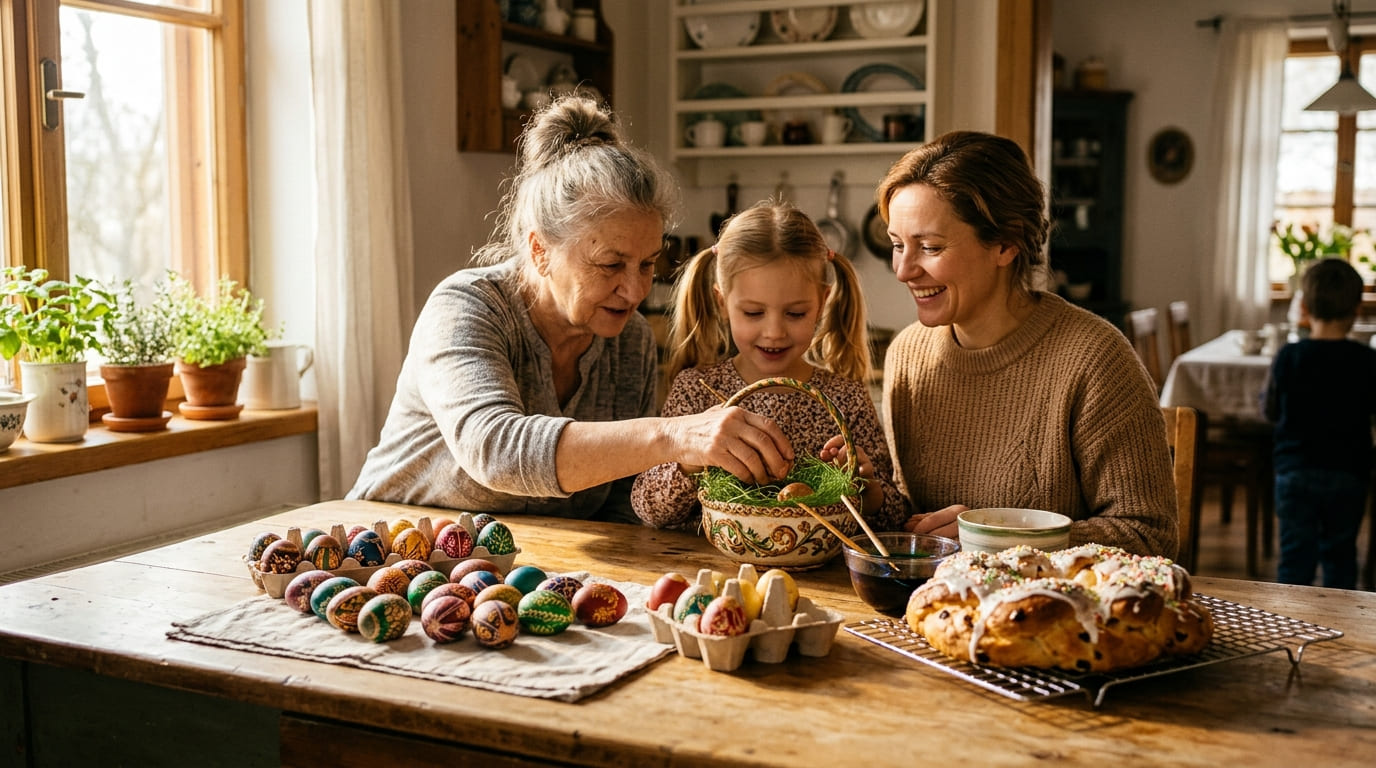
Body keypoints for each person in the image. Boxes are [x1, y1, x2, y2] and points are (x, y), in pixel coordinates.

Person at [348, 95, 793, 522]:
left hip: (523, 570)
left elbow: (622, 507)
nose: (636, 290)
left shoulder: (629, 340)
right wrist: (675, 434)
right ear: (540, 250)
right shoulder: (466, 307)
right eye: (611, 264)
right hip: (385, 553)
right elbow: (498, 451)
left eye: (648, 263)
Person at [877, 130, 1178, 558]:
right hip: (936, 612)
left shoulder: (1095, 359)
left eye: (929, 247)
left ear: (1005, 243)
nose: (905, 270)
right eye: (897, 245)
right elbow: (914, 514)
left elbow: (1151, 537)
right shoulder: (907, 354)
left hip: (1055, 617)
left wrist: (998, 537)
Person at [632, 200, 907, 531]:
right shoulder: (698, 391)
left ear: (822, 303)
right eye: (753, 313)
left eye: (795, 314)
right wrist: (690, 462)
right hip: (712, 572)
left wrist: (867, 488)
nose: (774, 332)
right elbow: (648, 509)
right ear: (723, 304)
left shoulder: (845, 397)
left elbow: (893, 516)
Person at [1263, 257, 1376, 589]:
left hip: (1294, 473)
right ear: (1357, 309)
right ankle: (1341, 634)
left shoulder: (1288, 357)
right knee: (1340, 558)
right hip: (1348, 473)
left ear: (1305, 307)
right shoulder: (1367, 361)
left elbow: (1270, 410)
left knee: (1295, 561)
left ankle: (1291, 628)